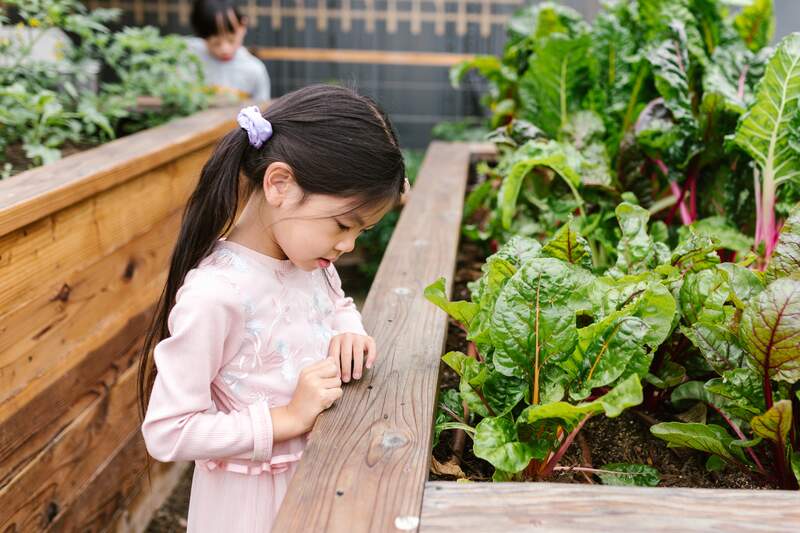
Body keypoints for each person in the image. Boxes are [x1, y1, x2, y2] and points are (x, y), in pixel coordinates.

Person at [139, 85, 407, 532]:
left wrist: (348, 329)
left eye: (362, 231)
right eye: (344, 225)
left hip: (319, 477)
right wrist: (285, 418)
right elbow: (168, 430)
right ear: (280, 184)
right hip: (253, 505)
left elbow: (335, 303)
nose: (348, 245)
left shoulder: (306, 258)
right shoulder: (216, 295)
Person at [186, 0, 270, 103]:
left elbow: (262, 111)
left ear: (243, 26)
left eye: (231, 40)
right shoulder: (187, 56)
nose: (225, 49)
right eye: (215, 43)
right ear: (201, 36)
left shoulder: (254, 70)